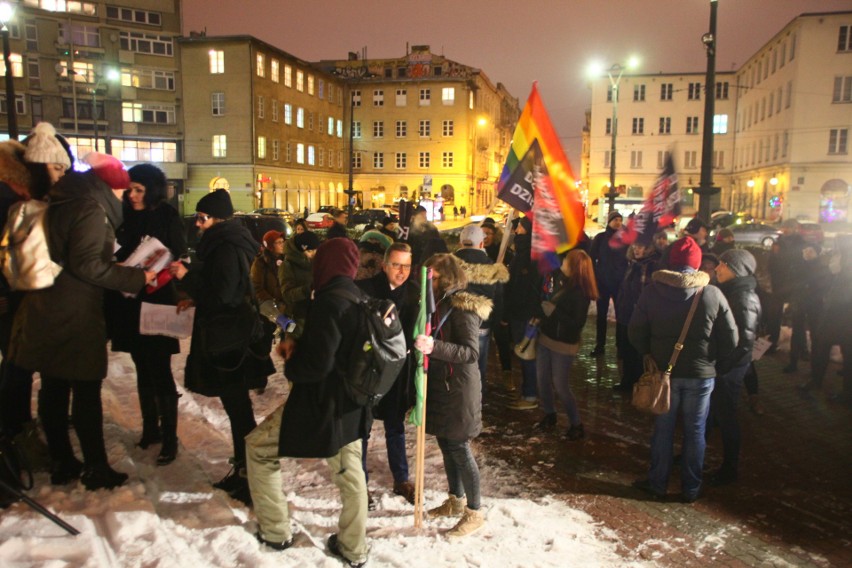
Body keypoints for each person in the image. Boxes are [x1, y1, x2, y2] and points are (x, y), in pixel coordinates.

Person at [10, 152, 156, 490]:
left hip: (45, 305)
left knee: (54, 386)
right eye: (124, 191)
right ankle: (96, 467)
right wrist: (136, 277)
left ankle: (63, 460)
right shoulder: (91, 209)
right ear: (112, 187)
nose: (126, 197)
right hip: (73, 313)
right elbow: (88, 265)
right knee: (87, 389)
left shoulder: (60, 200)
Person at [246, 238, 371, 566]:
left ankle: (275, 530)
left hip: (321, 405)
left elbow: (317, 365)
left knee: (258, 448)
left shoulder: (329, 301)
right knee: (350, 472)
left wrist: (292, 360)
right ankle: (353, 547)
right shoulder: (359, 297)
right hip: (352, 404)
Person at [169, 189, 275, 504]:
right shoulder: (227, 241)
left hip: (231, 341)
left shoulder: (226, 247)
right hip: (233, 336)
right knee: (237, 408)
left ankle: (249, 476)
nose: (198, 224)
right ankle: (245, 471)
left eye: (202, 218)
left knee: (239, 409)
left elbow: (224, 295)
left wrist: (187, 278)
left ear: (217, 219)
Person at [628, 237, 737, 503]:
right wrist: (714, 364)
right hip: (701, 376)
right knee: (696, 430)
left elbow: (635, 330)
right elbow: (731, 338)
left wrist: (649, 354)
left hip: (664, 374)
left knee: (663, 429)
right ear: (697, 264)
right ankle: (691, 488)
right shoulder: (712, 294)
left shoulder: (652, 291)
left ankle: (657, 483)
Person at [0, 123, 74, 447]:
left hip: (24, 299)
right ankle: (15, 433)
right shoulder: (11, 199)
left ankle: (22, 426)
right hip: (15, 299)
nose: (61, 175)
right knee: (18, 368)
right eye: (57, 168)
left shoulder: (29, 198)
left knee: (24, 368)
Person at [108, 164, 186, 466]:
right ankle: (150, 428)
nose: (133, 195)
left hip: (158, 300)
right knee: (141, 365)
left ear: (152, 190)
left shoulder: (167, 216)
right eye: (130, 189)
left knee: (161, 370)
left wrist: (157, 266)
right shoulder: (123, 215)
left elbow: (179, 253)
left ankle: (170, 437)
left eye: (139, 190)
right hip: (128, 302)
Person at [414, 253, 489, 537]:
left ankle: (475, 511)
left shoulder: (462, 307)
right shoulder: (440, 303)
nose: (426, 280)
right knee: (446, 445)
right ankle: (455, 500)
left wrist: (435, 347)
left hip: (459, 390)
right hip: (445, 387)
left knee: (459, 447)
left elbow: (471, 353)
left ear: (443, 276)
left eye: (430, 274)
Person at [357, 242, 420, 505]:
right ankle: (359, 484)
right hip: (369, 372)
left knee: (395, 425)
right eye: (396, 264)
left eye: (406, 265)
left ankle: (401, 477)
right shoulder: (365, 289)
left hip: (397, 372)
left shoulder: (416, 292)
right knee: (362, 428)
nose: (402, 271)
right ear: (384, 265)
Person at [707, 249, 761, 486]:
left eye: (723, 265)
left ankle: (730, 467)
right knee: (710, 412)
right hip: (721, 363)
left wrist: (722, 368)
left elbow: (744, 342)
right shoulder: (730, 292)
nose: (717, 268)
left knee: (726, 415)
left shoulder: (743, 298)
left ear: (736, 270)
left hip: (729, 368)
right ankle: (695, 454)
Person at [534, 250, 599, 440]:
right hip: (546, 336)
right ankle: (549, 413)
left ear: (574, 267)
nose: (562, 263)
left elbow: (576, 323)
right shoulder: (560, 279)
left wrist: (554, 311)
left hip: (564, 344)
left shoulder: (581, 292)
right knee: (542, 379)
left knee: (560, 385)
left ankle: (576, 424)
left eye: (567, 261)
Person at [454, 224, 509, 395]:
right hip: (481, 324)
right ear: (481, 244)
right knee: (478, 365)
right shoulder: (491, 267)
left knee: (456, 362)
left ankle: (457, 395)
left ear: (460, 242)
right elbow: (498, 299)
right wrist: (496, 320)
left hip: (454, 321)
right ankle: (477, 398)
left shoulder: (448, 264)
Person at [798, 235, 852, 404]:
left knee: (847, 354)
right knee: (821, 347)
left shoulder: (846, 266)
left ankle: (846, 393)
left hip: (844, 317)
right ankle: (816, 380)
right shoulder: (839, 265)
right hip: (832, 315)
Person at [612, 241, 660, 393]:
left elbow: (645, 293)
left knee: (636, 353)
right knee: (626, 350)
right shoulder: (633, 264)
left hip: (637, 316)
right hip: (625, 315)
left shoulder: (650, 266)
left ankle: (638, 385)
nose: (637, 249)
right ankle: (627, 381)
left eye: (641, 246)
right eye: (635, 246)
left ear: (648, 248)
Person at [504, 216, 542, 407]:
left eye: (520, 226)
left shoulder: (530, 255)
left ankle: (530, 395)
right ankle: (527, 391)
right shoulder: (522, 251)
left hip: (525, 312)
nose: (517, 229)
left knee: (527, 353)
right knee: (523, 352)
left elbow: (526, 286)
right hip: (519, 311)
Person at [589, 210, 628, 357]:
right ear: (609, 221)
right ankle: (600, 346)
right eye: (615, 219)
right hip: (603, 282)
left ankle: (620, 346)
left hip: (619, 283)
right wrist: (594, 275)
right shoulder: (600, 238)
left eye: (620, 219)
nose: (618, 222)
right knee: (601, 316)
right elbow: (591, 258)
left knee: (621, 316)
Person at [279, 230, 321, 338]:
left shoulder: (314, 261)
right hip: (296, 318)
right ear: (300, 249)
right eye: (310, 251)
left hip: (314, 314)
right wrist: (307, 290)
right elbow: (287, 294)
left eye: (315, 250)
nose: (313, 254)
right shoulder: (287, 265)